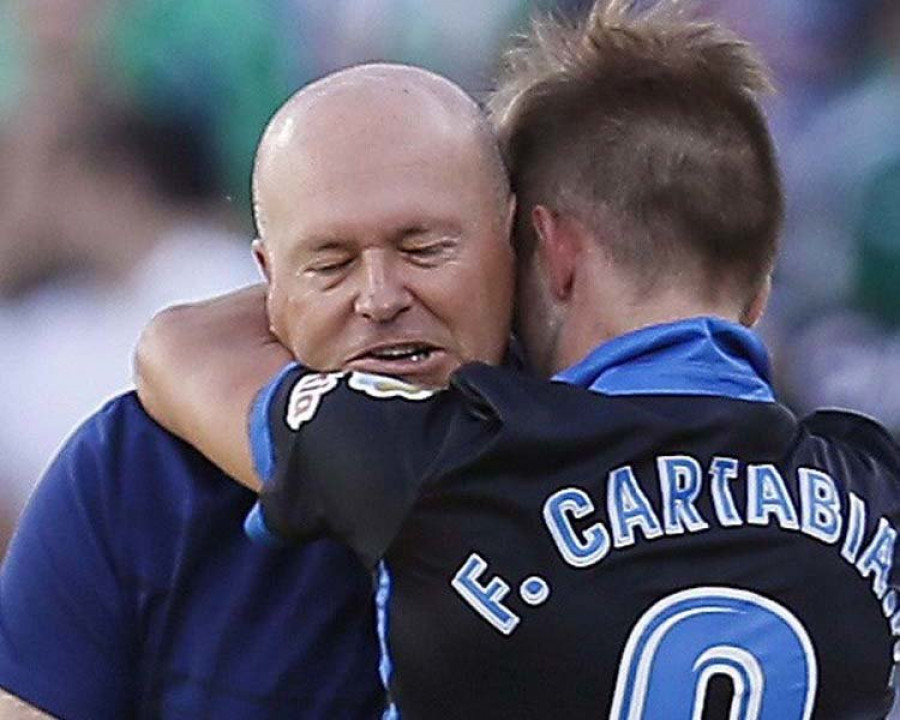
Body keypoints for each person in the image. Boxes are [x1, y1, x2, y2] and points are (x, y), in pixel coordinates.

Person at [136, 1, 900, 718]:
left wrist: (329, 268)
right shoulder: (872, 487)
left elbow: (176, 348)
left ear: (553, 251)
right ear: (759, 293)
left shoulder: (448, 459)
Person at [0, 64, 515, 718]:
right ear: (268, 280)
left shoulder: (606, 453)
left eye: (426, 250)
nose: (381, 298)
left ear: (513, 239)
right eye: (330, 265)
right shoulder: (135, 475)